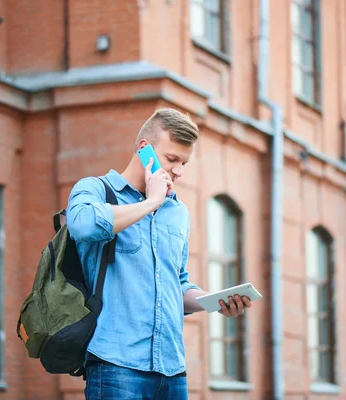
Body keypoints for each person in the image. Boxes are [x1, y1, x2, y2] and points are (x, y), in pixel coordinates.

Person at [65, 108, 253, 400]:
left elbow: (175, 284)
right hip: (117, 367)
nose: (179, 171)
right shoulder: (96, 190)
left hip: (172, 371)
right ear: (145, 150)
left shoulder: (177, 213)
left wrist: (213, 301)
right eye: (172, 159)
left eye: (184, 162)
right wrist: (151, 202)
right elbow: (81, 225)